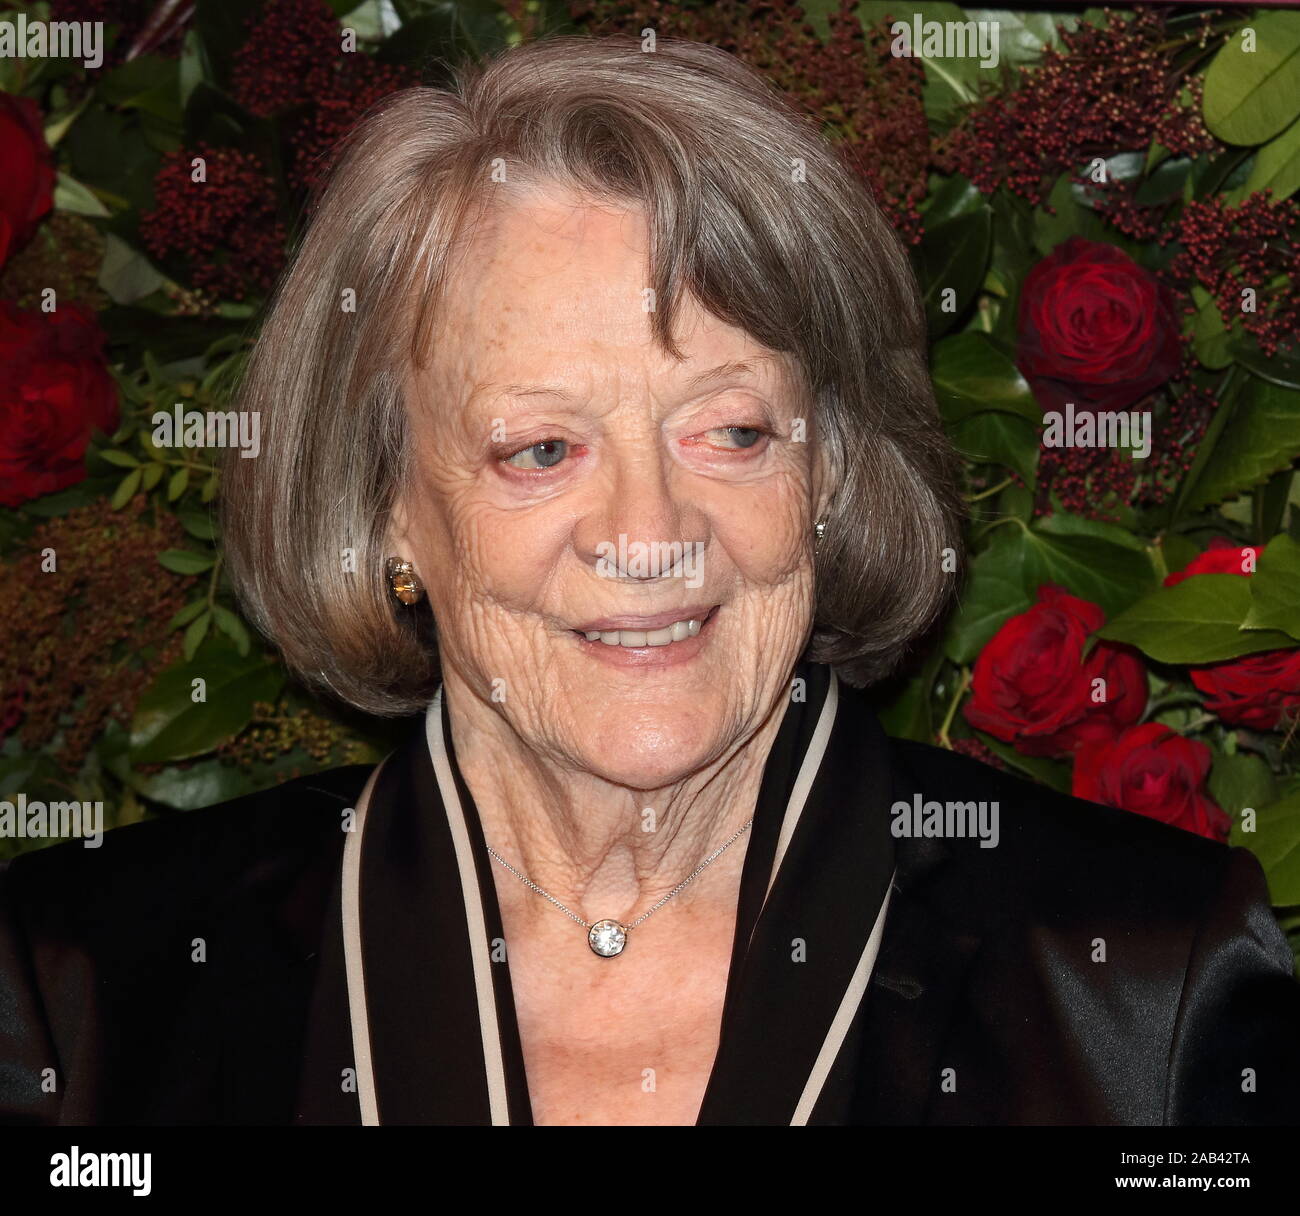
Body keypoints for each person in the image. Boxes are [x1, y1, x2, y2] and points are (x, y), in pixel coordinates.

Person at [1, 34, 1296, 1126]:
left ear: (832, 473)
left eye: (731, 431)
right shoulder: (86, 992)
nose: (649, 530)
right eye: (542, 448)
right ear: (387, 510)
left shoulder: (1144, 984)